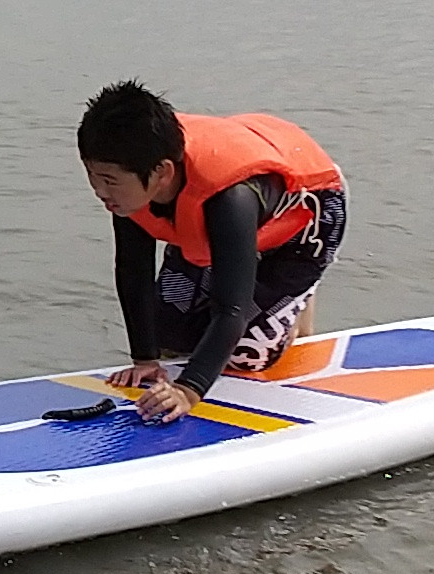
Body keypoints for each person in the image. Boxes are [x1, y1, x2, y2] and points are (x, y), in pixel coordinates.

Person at [74, 81, 349, 424]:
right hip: (218, 219)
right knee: (170, 336)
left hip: (307, 213)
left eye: (109, 180)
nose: (99, 191)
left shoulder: (229, 199)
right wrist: (144, 359)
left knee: (246, 356)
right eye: (92, 175)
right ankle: (260, 285)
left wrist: (188, 390)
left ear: (161, 173)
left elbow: (230, 307)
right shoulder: (133, 182)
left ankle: (296, 300)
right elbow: (133, 270)